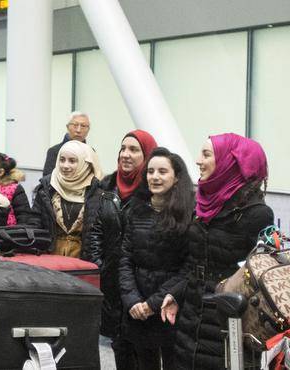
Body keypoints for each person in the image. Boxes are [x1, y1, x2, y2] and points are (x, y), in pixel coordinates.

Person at [161, 133, 273, 370]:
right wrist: (176, 294)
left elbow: (260, 280)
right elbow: (195, 263)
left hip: (229, 322)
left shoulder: (257, 214)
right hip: (191, 315)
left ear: (229, 163)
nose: (198, 161)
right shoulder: (204, 204)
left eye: (206, 154)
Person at [83, 129, 157, 369]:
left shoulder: (154, 192)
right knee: (120, 347)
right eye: (122, 148)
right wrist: (101, 269)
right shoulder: (107, 187)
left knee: (145, 351)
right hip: (113, 284)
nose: (126, 154)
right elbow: (95, 231)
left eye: (134, 150)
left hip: (143, 286)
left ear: (147, 155)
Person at [119, 147, 193, 370]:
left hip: (170, 305)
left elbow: (188, 267)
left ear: (176, 177)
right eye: (150, 172)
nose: (155, 177)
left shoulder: (189, 213)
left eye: (162, 172)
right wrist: (132, 300)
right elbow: (125, 259)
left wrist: (153, 303)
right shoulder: (135, 209)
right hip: (137, 306)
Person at [29, 141, 102, 257]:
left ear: (85, 163)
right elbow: (34, 224)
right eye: (62, 160)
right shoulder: (47, 188)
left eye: (72, 161)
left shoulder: (98, 193)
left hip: (84, 262)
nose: (65, 166)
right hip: (49, 258)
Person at [0, 151, 32, 227]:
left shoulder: (14, 189)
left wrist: (18, 235)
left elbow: (24, 217)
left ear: (0, 172)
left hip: (9, 234)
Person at [42, 111, 91, 177]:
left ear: (88, 130)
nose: (78, 130)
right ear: (67, 127)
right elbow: (47, 180)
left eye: (83, 126)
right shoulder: (54, 151)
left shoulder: (91, 152)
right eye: (75, 125)